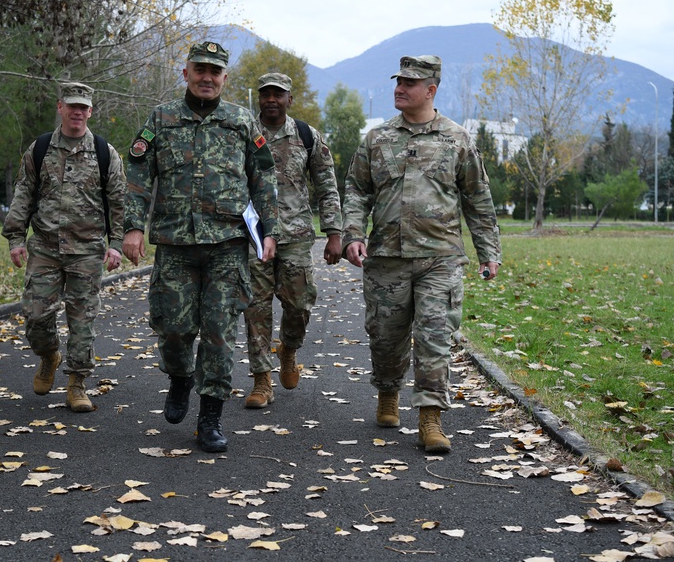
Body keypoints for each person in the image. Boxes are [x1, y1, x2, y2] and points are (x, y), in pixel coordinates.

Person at [123, 41, 279, 453]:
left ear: (225, 78)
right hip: (174, 243)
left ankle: (210, 418)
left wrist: (270, 232)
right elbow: (138, 173)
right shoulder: (162, 118)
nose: (207, 78)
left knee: (219, 333)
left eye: (215, 71)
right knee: (174, 329)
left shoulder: (242, 122)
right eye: (200, 70)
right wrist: (133, 228)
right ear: (186, 73)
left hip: (227, 245)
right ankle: (179, 377)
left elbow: (264, 179)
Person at [342, 55, 501, 453]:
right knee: (386, 339)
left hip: (440, 258)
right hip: (386, 259)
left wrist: (488, 251)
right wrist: (353, 234)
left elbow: (477, 199)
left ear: (431, 90)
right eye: (399, 81)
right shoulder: (376, 140)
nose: (400, 88)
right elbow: (357, 191)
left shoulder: (458, 139)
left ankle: (431, 418)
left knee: (435, 338)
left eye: (410, 83)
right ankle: (388, 392)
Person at [2, 82, 125, 413]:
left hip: (87, 250)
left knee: (82, 322)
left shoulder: (104, 152)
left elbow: (118, 201)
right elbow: (24, 192)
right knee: (35, 316)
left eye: (83, 107)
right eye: (72, 105)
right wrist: (15, 237)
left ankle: (77, 384)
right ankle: (49, 355)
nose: (78, 112)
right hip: (44, 247)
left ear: (90, 111)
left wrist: (115, 244)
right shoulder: (40, 148)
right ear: (60, 107)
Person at [242, 72, 343, 409]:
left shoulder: (306, 136)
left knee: (299, 304)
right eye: (266, 94)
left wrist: (333, 233)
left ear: (289, 99)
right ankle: (261, 380)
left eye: (278, 94)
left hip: (296, 235)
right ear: (260, 98)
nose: (272, 99)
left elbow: (327, 185)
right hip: (254, 235)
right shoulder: (245, 133)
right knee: (255, 307)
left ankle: (288, 347)